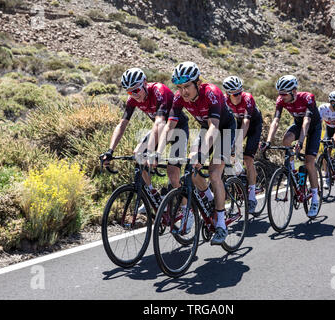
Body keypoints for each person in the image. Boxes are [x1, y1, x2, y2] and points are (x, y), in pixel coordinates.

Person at [156, 61, 237, 245]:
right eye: (180, 87)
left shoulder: (211, 93)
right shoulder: (179, 98)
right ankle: (209, 198)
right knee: (191, 167)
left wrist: (201, 154)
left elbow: (214, 127)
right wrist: (157, 152)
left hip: (224, 129)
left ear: (198, 83)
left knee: (215, 173)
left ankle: (221, 225)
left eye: (187, 86)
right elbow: (170, 126)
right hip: (205, 128)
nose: (184, 92)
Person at [100, 67, 189, 211]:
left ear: (145, 83)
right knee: (138, 154)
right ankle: (153, 195)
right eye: (129, 91)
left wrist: (152, 151)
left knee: (173, 175)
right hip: (159, 129)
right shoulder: (132, 100)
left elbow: (160, 122)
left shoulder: (159, 90)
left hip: (177, 129)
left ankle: (187, 210)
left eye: (136, 90)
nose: (134, 95)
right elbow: (122, 125)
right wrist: (110, 150)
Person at [260, 75, 322, 218]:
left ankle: (315, 198)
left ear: (294, 91)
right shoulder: (281, 101)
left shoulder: (307, 98)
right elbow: (275, 121)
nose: (281, 97)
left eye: (284, 94)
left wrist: (300, 141)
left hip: (313, 127)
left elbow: (307, 121)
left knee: (309, 162)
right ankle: (292, 170)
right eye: (279, 93)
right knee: (286, 140)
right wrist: (268, 141)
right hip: (299, 125)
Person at [223, 75, 263, 216]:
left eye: (240, 92)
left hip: (253, 125)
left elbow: (246, 123)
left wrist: (237, 143)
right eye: (235, 94)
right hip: (238, 124)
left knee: (247, 158)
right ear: (228, 94)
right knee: (229, 155)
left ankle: (252, 196)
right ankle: (240, 176)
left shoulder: (247, 98)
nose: (238, 96)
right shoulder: (225, 101)